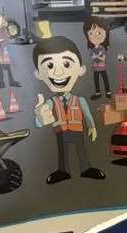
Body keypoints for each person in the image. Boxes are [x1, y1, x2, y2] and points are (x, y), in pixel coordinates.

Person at [33, 36, 105, 184]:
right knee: (62, 152)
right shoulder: (50, 102)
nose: (58, 73)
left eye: (66, 64)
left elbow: (87, 114)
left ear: (81, 69)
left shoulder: (79, 100)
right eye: (50, 66)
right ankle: (63, 171)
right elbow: (41, 119)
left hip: (77, 129)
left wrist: (92, 127)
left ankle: (86, 169)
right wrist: (39, 118)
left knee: (82, 149)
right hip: (60, 131)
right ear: (38, 74)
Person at [83, 17, 111, 100]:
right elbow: (92, 57)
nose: (95, 36)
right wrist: (98, 56)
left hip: (102, 67)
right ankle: (97, 92)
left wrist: (97, 56)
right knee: (96, 81)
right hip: (95, 68)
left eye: (99, 33)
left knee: (105, 79)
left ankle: (108, 92)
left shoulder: (102, 48)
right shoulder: (93, 49)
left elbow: (103, 58)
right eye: (91, 33)